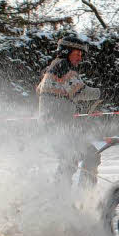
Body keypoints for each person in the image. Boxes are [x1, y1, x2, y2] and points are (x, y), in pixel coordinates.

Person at [37, 34, 101, 191]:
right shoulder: (63, 67)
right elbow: (80, 92)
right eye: (77, 53)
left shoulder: (52, 67)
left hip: (52, 123)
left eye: (81, 54)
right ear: (66, 51)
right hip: (58, 124)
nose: (80, 58)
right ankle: (84, 194)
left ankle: (60, 195)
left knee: (69, 159)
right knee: (89, 154)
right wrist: (101, 92)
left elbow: (39, 89)